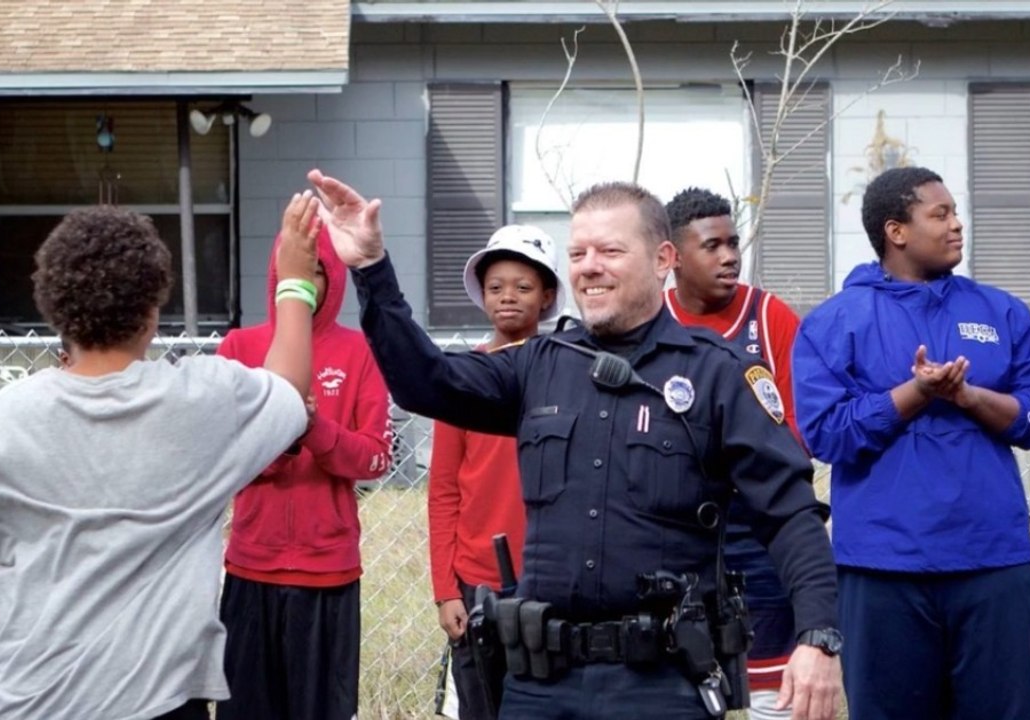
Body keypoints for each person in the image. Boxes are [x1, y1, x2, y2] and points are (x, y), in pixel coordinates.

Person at [309, 168, 842, 720]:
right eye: (579, 252)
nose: (590, 266)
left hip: (661, 685)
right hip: (542, 682)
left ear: (662, 260)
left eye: (610, 250)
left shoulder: (715, 375)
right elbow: (425, 381)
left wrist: (818, 636)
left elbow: (789, 515)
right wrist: (372, 267)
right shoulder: (537, 365)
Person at [0, 198, 319, 720]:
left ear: (55, 309)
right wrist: (294, 280)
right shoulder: (202, 402)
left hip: (24, 700)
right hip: (155, 702)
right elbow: (289, 389)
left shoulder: (7, 414)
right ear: (152, 312)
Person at [792, 166, 1030, 720]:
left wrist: (970, 397)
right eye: (939, 215)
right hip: (882, 570)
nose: (957, 225)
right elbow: (827, 434)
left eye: (956, 212)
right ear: (896, 231)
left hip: (991, 563)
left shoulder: (1000, 312)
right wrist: (914, 393)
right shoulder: (835, 323)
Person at [215, 224, 393, 720]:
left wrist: (314, 429)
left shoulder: (360, 351)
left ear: (334, 279)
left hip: (329, 572)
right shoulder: (238, 348)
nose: (308, 281)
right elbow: (225, 461)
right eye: (298, 269)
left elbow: (376, 457)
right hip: (251, 566)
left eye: (319, 270)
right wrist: (282, 434)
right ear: (276, 274)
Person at [666, 187, 805, 719]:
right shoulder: (652, 318)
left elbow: (796, 431)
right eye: (712, 246)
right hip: (673, 536)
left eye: (733, 243)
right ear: (672, 256)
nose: (729, 256)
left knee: (773, 691)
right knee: (685, 688)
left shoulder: (768, 317)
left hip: (758, 533)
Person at [429, 225, 565, 719]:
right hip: (477, 582)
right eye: (496, 287)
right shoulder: (462, 378)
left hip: (551, 577)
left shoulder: (567, 371)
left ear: (547, 296)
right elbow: (444, 489)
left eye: (524, 287)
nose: (508, 297)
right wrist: (447, 591)